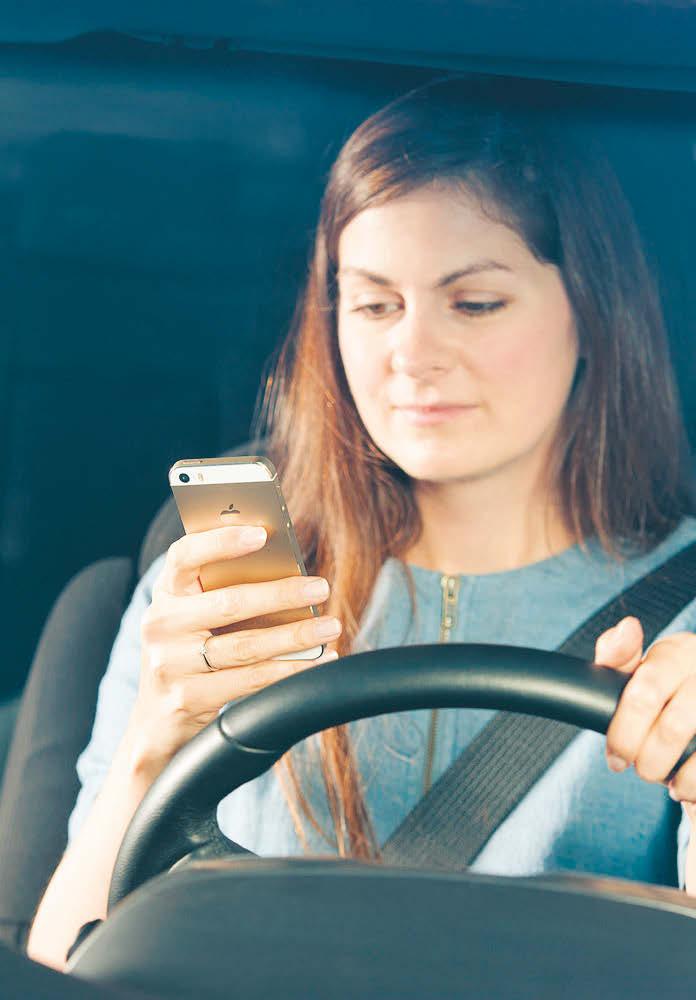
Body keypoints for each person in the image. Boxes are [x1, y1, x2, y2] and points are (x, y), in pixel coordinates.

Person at [28, 76, 696, 969]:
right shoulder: (219, 597)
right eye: (376, 305)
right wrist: (151, 749)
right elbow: (57, 968)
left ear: (594, 313)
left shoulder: (688, 625)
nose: (411, 355)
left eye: (475, 303)